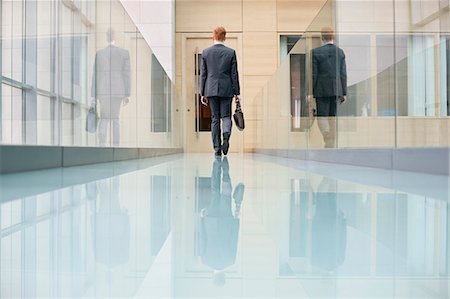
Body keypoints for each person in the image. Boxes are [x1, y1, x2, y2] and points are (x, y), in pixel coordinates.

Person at [199, 157, 245, 286]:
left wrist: (236, 220)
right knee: (214, 192)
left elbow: (234, 239)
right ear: (213, 278)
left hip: (226, 223)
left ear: (224, 277)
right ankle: (216, 166)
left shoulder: (230, 261)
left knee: (226, 196)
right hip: (211, 223)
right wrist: (202, 219)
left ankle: (225, 175)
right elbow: (202, 239)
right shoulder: (205, 260)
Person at [200, 27, 241, 157]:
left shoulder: (206, 53)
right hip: (227, 89)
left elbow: (203, 75)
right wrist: (237, 92)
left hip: (210, 89)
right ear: (224, 37)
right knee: (226, 116)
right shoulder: (230, 53)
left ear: (214, 36)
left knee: (215, 118)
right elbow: (234, 74)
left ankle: (217, 148)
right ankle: (226, 139)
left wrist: (202, 93)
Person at [91, 28, 131, 146]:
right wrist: (127, 94)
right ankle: (115, 146)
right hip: (118, 91)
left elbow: (95, 75)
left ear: (106, 37)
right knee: (115, 119)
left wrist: (93, 95)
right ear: (115, 38)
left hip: (103, 91)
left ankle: (102, 144)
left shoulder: (99, 54)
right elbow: (127, 74)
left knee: (104, 118)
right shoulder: (124, 53)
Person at [311, 27, 347, 148]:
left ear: (322, 38)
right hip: (336, 89)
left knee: (322, 116)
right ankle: (331, 141)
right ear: (334, 37)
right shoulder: (340, 52)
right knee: (333, 117)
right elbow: (343, 73)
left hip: (321, 90)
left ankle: (327, 137)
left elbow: (314, 74)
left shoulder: (316, 52)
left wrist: (311, 92)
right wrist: (344, 92)